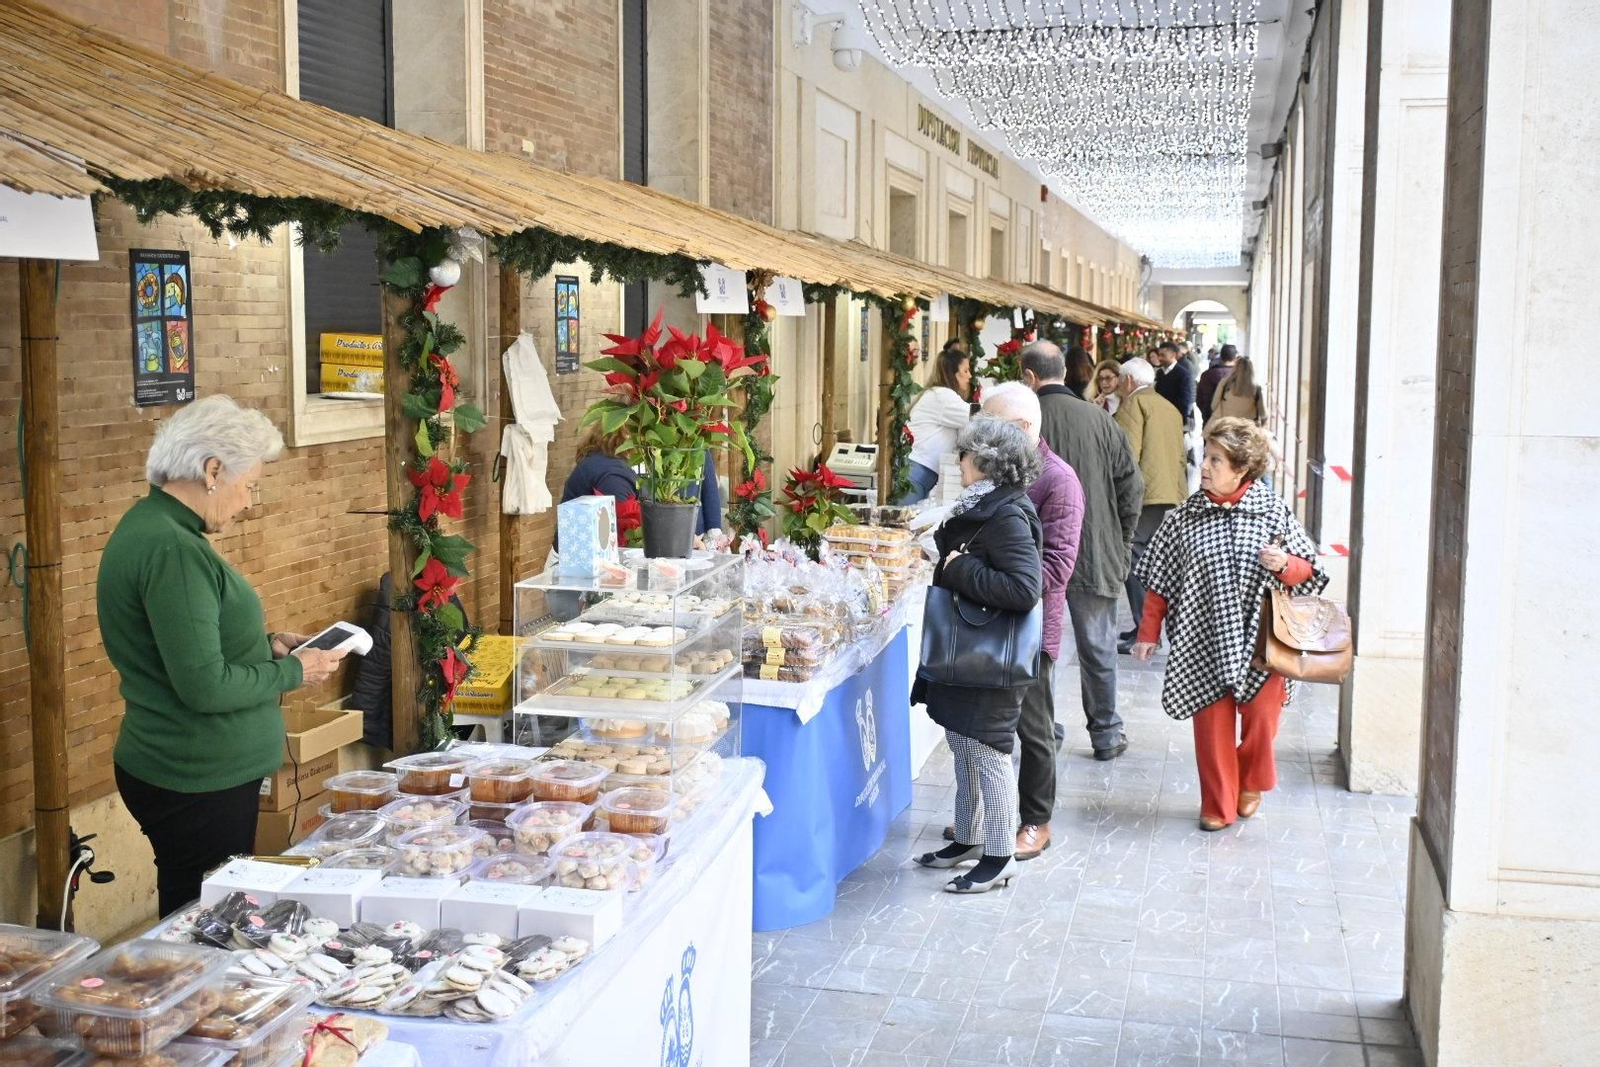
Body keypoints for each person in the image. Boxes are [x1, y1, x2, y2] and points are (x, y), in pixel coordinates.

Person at [98, 396, 348, 916]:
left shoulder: (156, 528)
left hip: (193, 768)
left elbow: (190, 645)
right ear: (213, 470)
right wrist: (291, 671)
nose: (249, 502)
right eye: (249, 485)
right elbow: (205, 686)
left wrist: (265, 648)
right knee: (202, 920)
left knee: (204, 907)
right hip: (193, 774)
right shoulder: (174, 550)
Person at [1131, 418, 1326, 830]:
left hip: (1261, 644)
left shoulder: (1272, 512)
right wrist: (1148, 632)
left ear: (1241, 469)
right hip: (1201, 639)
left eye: (1215, 460)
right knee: (1212, 729)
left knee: (1261, 722)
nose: (1204, 466)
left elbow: (1310, 570)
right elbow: (1160, 579)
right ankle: (1217, 805)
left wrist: (1284, 564)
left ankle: (1251, 780)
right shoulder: (1184, 517)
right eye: (1206, 456)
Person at [913, 416, 1044, 892]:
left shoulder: (1006, 515)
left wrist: (961, 566)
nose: (959, 461)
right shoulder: (982, 504)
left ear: (985, 461)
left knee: (988, 754)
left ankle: (998, 853)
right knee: (964, 746)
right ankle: (967, 837)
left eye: (965, 454)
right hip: (969, 654)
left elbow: (1025, 589)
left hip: (993, 662)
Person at [978, 383, 1083, 860]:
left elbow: (1058, 566)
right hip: (986, 619)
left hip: (1030, 628)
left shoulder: (1058, 480)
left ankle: (1036, 820)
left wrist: (985, 579)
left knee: (1034, 729)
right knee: (982, 723)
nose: (981, 433)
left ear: (1021, 428)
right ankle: (988, 814)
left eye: (990, 423)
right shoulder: (993, 468)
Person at [1022, 341, 1141, 760]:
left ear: (1030, 378)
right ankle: (1106, 733)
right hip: (1094, 549)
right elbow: (1132, 486)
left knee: (1040, 648)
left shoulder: (1023, 424)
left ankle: (1045, 732)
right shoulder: (1102, 420)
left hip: (1036, 557)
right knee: (1098, 647)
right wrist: (1121, 540)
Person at [1113, 357, 1188, 653]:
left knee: (1133, 559)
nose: (1118, 385)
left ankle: (1146, 629)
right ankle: (1146, 625)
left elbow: (1126, 457)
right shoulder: (1168, 407)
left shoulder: (1133, 405)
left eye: (1120, 379)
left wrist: (1118, 497)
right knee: (1150, 560)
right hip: (1168, 493)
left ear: (1130, 381)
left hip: (1143, 496)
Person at [562, 421, 721, 534]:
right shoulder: (613, 470)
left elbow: (709, 488)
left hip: (690, 533)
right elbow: (628, 517)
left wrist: (714, 531)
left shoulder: (691, 441)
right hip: (587, 553)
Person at [901, 341, 974, 504]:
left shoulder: (940, 394)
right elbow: (976, 417)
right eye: (966, 370)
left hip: (921, 471)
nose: (970, 376)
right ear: (953, 374)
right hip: (915, 470)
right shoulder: (943, 397)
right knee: (902, 524)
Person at [1205, 355, 1266, 429]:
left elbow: (1214, 405)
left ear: (1235, 369)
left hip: (1227, 427)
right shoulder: (1256, 388)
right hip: (1247, 431)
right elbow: (1263, 414)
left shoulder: (1225, 384)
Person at [1151, 341, 1195, 424]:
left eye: (1163, 355)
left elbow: (1185, 401)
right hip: (1159, 417)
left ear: (1173, 355)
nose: (1159, 358)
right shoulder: (1160, 373)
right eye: (1159, 355)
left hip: (1175, 419)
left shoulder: (1184, 374)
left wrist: (1180, 420)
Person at [1196, 343, 1239, 424]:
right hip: (1233, 423)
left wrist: (1206, 413)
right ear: (1235, 358)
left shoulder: (1206, 375)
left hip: (1211, 421)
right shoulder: (1239, 376)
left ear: (1221, 357)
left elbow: (1199, 399)